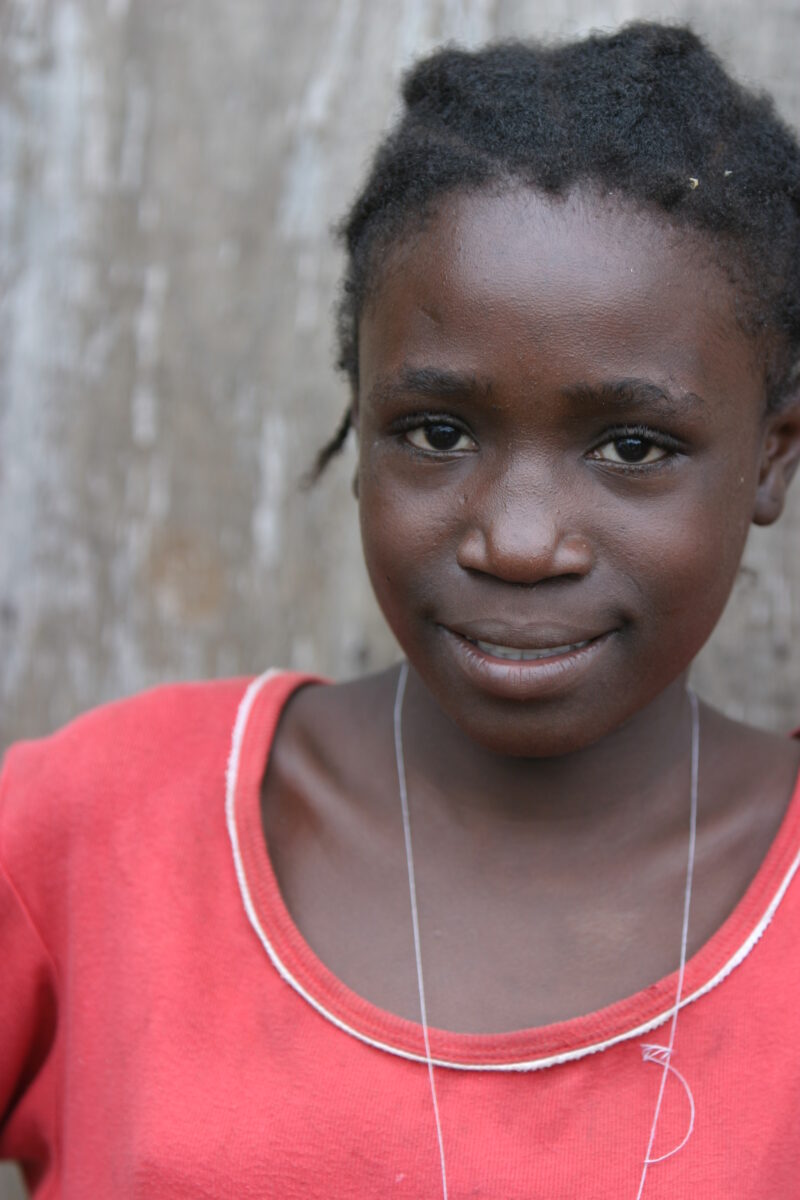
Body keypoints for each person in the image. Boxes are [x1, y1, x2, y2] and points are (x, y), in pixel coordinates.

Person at [2, 19, 800, 1199]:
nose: (518, 541)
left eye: (631, 446)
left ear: (770, 461)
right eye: (437, 432)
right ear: (362, 425)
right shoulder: (93, 829)